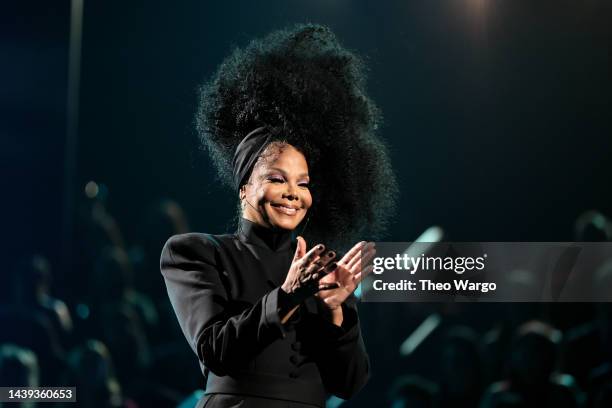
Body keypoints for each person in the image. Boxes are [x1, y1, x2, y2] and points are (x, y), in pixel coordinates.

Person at [161, 24, 397, 408]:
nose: (293, 193)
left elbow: (350, 383)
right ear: (243, 188)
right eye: (276, 178)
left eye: (303, 183)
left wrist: (335, 312)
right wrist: (288, 297)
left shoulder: (323, 268)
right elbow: (215, 351)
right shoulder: (196, 253)